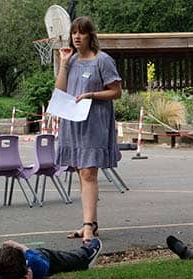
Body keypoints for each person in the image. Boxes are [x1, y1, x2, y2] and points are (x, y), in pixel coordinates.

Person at [56, 16, 122, 244]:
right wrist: (64, 63)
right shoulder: (71, 60)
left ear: (90, 35)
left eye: (81, 33)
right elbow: (60, 90)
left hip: (94, 123)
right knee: (80, 173)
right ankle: (91, 223)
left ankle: (87, 226)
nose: (76, 37)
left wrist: (91, 95)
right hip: (72, 123)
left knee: (88, 173)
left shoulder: (102, 60)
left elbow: (116, 92)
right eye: (74, 32)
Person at [0, 238, 102, 279]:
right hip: (39, 257)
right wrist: (19, 246)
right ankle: (87, 252)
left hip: (36, 257)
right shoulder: (35, 265)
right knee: (66, 259)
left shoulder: (35, 264)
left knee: (63, 259)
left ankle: (85, 254)